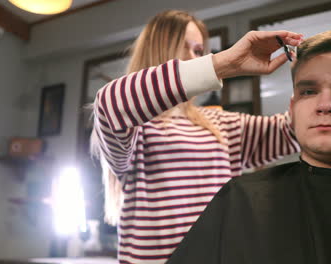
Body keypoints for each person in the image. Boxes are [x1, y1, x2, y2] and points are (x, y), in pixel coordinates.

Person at [166, 30, 331, 264]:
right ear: (291, 112)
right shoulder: (240, 202)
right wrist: (220, 64)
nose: (325, 104)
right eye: (308, 91)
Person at [90, 10, 304, 264]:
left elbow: (292, 130)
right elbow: (109, 104)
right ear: (158, 50)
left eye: (199, 51)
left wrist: (313, 84)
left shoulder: (220, 123)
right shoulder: (137, 128)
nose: (195, 58)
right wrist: (223, 63)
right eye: (184, 48)